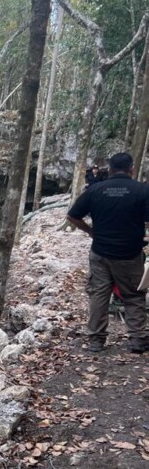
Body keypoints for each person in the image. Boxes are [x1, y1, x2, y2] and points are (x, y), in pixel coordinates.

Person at [67, 151, 149, 353]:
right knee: (134, 295)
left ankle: (96, 340)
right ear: (131, 169)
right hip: (130, 253)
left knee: (99, 295)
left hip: (100, 252)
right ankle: (138, 339)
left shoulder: (95, 190)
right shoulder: (142, 190)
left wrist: (91, 232)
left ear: (110, 170)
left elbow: (72, 216)